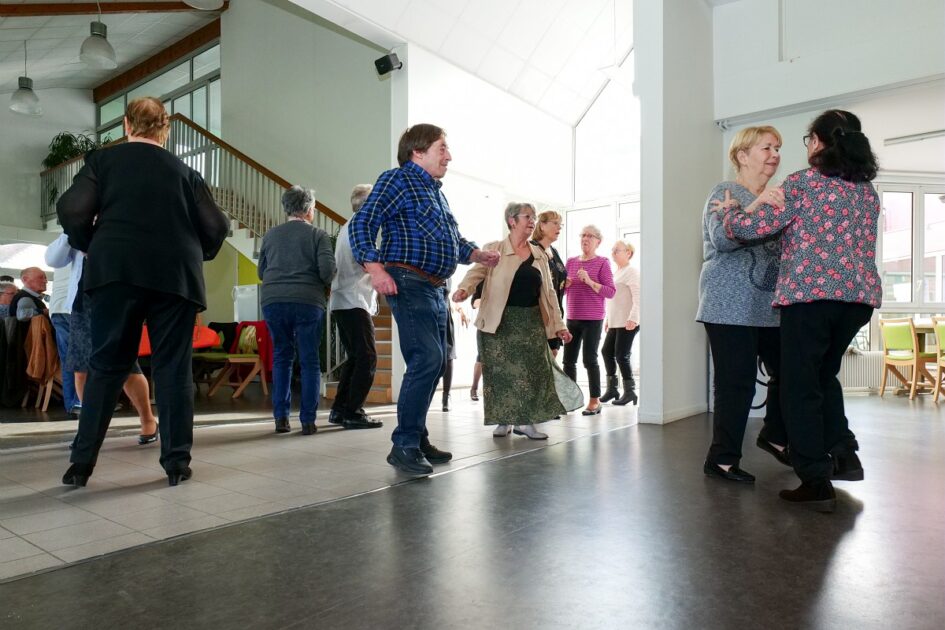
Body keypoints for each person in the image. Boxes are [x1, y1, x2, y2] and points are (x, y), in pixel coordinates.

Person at [57, 96, 229, 488]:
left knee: (107, 366)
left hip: (115, 271)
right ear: (165, 129)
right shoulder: (185, 171)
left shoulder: (104, 161)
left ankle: (80, 465)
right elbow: (216, 226)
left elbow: (72, 209)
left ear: (126, 125)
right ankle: (176, 464)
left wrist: (91, 243)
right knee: (173, 368)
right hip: (176, 277)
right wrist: (193, 253)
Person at [718, 110, 882, 512]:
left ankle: (814, 477)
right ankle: (844, 454)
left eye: (808, 139)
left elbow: (749, 230)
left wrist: (729, 213)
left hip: (810, 300)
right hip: (857, 301)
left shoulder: (803, 184)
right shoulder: (866, 192)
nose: (804, 146)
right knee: (824, 376)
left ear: (821, 143)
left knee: (799, 386)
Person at [349, 123, 500, 475]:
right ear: (418, 151)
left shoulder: (435, 192)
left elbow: (451, 239)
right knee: (427, 358)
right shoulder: (396, 180)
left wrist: (476, 254)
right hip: (407, 280)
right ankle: (403, 445)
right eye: (442, 148)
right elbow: (363, 223)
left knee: (436, 363)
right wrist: (375, 269)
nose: (449, 155)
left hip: (436, 287)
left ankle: (416, 437)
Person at [697, 125, 787, 485]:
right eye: (766, 147)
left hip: (770, 307)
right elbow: (722, 239)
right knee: (737, 384)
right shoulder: (725, 192)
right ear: (742, 155)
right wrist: (756, 204)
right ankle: (721, 460)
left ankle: (776, 435)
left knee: (792, 373)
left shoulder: (778, 198)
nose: (775, 154)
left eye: (778, 148)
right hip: (727, 306)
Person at [454, 202, 582, 438]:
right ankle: (503, 420)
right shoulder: (494, 248)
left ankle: (526, 422)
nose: (532, 221)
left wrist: (559, 326)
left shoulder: (539, 255)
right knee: (499, 374)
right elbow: (477, 272)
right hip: (498, 321)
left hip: (530, 321)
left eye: (534, 217)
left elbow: (550, 293)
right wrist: (464, 289)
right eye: (527, 216)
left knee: (531, 372)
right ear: (512, 221)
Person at [46, 234, 158, 441]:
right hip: (82, 303)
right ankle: (89, 429)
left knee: (126, 366)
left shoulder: (120, 220)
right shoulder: (77, 227)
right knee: (81, 368)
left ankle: (147, 419)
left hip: (117, 299)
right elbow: (53, 259)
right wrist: (71, 230)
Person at [258, 185, 336, 435]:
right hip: (307, 301)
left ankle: (281, 419)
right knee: (310, 360)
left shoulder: (270, 235)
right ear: (310, 210)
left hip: (273, 300)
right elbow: (326, 271)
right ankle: (308, 421)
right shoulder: (318, 235)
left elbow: (262, 272)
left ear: (286, 209)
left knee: (282, 356)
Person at [328, 184, 383, 430]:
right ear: (368, 204)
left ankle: (339, 410)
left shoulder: (347, 225)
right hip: (353, 300)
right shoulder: (360, 227)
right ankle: (353, 412)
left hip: (344, 300)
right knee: (367, 357)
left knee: (355, 357)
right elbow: (366, 261)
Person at [563, 225, 615, 415]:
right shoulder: (570, 262)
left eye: (590, 236)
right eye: (583, 235)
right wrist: (564, 285)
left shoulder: (602, 262)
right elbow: (564, 290)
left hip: (593, 319)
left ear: (598, 242)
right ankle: (570, 400)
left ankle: (595, 400)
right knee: (568, 361)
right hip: (572, 317)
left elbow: (610, 292)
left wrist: (590, 282)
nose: (585, 238)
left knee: (589, 359)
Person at [601, 240, 640, 406]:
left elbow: (638, 296)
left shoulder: (632, 272)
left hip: (628, 321)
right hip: (616, 322)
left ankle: (630, 391)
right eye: (613, 250)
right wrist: (608, 319)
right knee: (606, 352)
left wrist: (634, 318)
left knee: (621, 355)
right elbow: (613, 299)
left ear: (628, 253)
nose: (613, 252)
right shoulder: (616, 273)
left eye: (617, 250)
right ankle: (612, 389)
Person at [530, 210, 568, 356]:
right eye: (555, 223)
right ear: (542, 226)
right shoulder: (532, 249)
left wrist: (564, 281)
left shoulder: (554, 251)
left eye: (561, 225)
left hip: (556, 312)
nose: (559, 227)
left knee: (552, 357)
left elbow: (554, 276)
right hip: (539, 314)